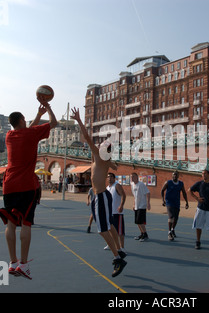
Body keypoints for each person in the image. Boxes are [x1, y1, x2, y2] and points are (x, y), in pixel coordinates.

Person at [0, 98, 57, 280]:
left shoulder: (9, 136)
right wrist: (48, 108)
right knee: (26, 223)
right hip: (26, 185)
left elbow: (28, 131)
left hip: (9, 185)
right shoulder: (31, 134)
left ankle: (12, 263)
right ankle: (24, 263)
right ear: (22, 120)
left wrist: (38, 115)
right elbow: (54, 123)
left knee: (11, 224)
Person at [70, 107, 127, 277]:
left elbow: (87, 138)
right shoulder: (101, 158)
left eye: (103, 145)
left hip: (102, 196)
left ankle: (117, 258)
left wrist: (79, 120)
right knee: (109, 224)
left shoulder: (101, 155)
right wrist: (112, 162)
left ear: (104, 149)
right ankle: (120, 249)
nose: (100, 144)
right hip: (100, 196)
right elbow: (115, 166)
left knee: (103, 230)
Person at [161, 171, 189, 241]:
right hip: (169, 202)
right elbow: (162, 190)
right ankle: (169, 232)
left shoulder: (181, 184)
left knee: (176, 218)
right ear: (172, 176)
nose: (174, 176)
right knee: (171, 216)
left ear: (178, 176)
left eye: (176, 175)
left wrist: (186, 202)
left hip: (176, 202)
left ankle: (173, 229)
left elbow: (184, 193)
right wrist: (163, 200)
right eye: (173, 175)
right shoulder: (168, 182)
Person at [106, 173, 126, 252]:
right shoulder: (107, 188)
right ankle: (111, 244)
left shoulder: (117, 185)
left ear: (114, 178)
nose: (109, 178)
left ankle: (122, 247)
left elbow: (123, 195)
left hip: (117, 212)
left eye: (111, 177)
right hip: (110, 213)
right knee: (110, 230)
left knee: (120, 232)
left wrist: (121, 205)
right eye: (108, 177)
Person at [130, 172, 151, 242]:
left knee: (140, 221)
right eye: (131, 177)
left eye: (133, 176)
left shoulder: (141, 184)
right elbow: (134, 196)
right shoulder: (132, 184)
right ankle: (142, 233)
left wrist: (148, 203)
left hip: (142, 205)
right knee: (137, 222)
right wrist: (133, 204)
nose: (132, 178)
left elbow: (148, 193)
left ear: (137, 177)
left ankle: (145, 234)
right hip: (136, 205)